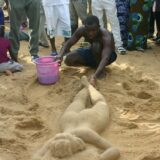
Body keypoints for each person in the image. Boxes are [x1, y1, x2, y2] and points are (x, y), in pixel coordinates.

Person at [33, 76, 120, 160]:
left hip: (89, 118)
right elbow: (35, 157)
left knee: (100, 102)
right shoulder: (57, 139)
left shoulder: (85, 134)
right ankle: (87, 86)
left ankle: (88, 85)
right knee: (78, 101)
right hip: (68, 120)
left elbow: (114, 150)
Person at [57, 15, 117, 86]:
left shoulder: (106, 36)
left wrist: (94, 76)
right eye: (88, 30)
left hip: (109, 56)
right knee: (68, 59)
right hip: (93, 52)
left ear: (98, 27)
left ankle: (100, 71)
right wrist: (60, 55)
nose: (90, 33)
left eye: (93, 30)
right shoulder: (81, 30)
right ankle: (94, 66)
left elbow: (106, 57)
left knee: (96, 46)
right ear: (84, 28)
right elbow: (69, 43)